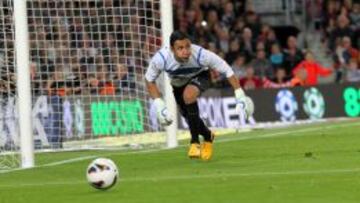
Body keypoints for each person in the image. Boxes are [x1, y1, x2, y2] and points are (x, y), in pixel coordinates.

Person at [145, 31, 252, 161]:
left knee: (189, 95)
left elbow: (227, 70)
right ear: (172, 49)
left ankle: (194, 142)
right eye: (180, 48)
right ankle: (208, 136)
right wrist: (159, 104)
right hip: (178, 84)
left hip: (200, 76)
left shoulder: (201, 54)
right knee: (189, 116)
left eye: (188, 46)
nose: (186, 51)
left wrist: (239, 94)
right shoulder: (161, 59)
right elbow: (149, 79)